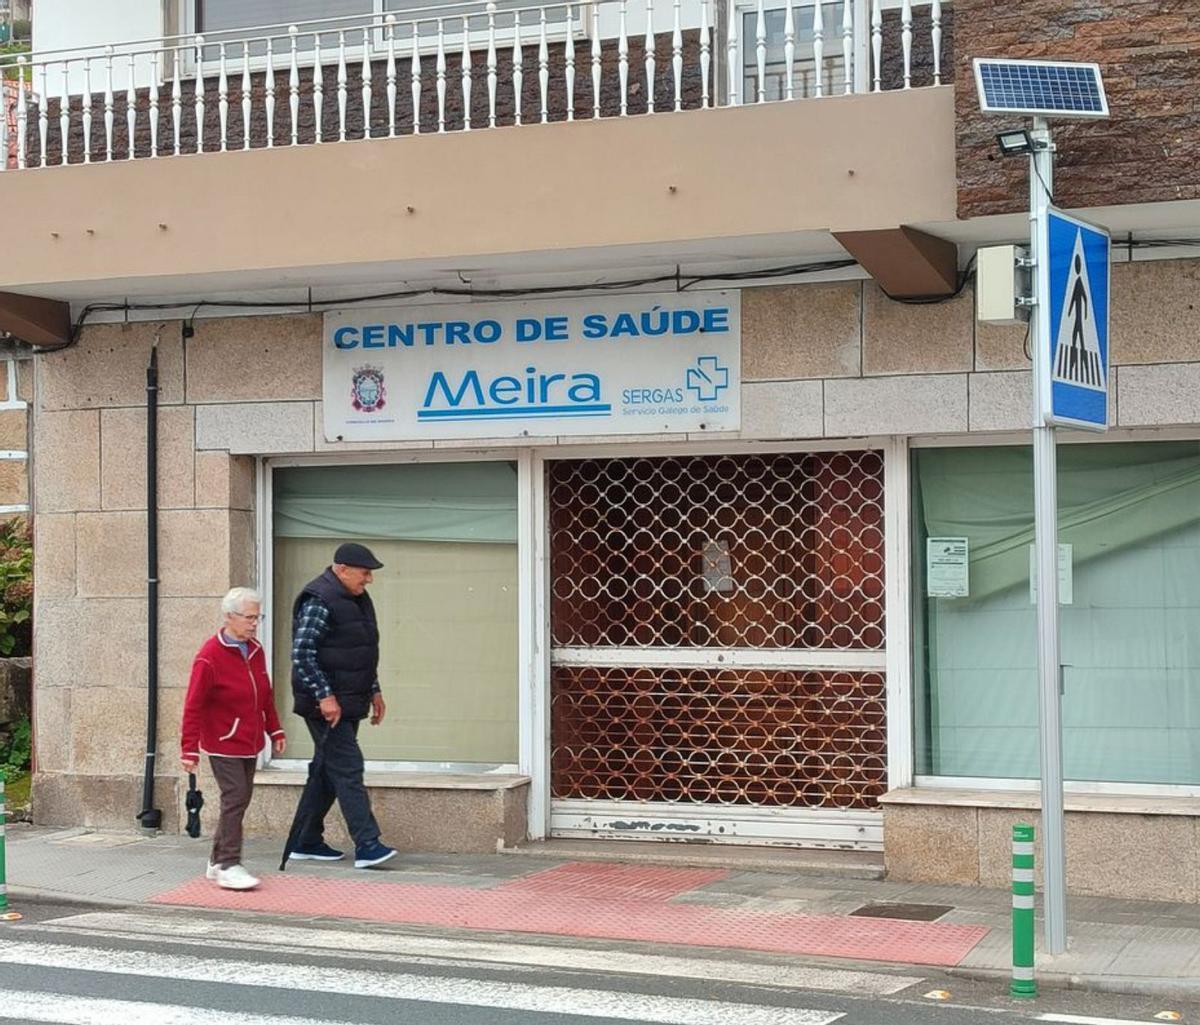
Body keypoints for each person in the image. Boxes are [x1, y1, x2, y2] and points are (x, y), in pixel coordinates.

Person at [288, 542, 397, 869]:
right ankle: (367, 844)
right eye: (365, 573)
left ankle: (305, 840)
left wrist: (373, 690)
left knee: (326, 771)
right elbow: (302, 654)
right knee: (348, 767)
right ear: (342, 569)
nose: (369, 580)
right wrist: (324, 696)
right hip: (324, 705)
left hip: (349, 699)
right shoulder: (320, 599)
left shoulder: (356, 598)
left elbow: (360, 651)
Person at [180, 587, 286, 891]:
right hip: (223, 741)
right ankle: (229, 863)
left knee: (239, 800)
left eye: (258, 617)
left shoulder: (254, 649)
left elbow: (264, 693)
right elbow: (193, 704)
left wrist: (274, 729)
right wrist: (189, 749)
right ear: (229, 617)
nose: (255, 623)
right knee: (235, 798)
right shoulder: (209, 656)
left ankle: (216, 862)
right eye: (249, 617)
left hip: (250, 741)